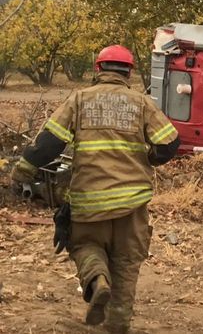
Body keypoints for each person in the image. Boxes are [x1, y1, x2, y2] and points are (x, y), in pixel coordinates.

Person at [10, 45, 180, 332]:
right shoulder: (141, 103)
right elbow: (170, 143)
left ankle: (97, 279)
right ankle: (117, 324)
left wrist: (21, 172)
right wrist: (147, 158)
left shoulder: (80, 99)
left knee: (84, 245)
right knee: (126, 264)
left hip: (89, 200)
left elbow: (50, 143)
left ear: (98, 69)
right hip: (132, 204)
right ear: (130, 73)